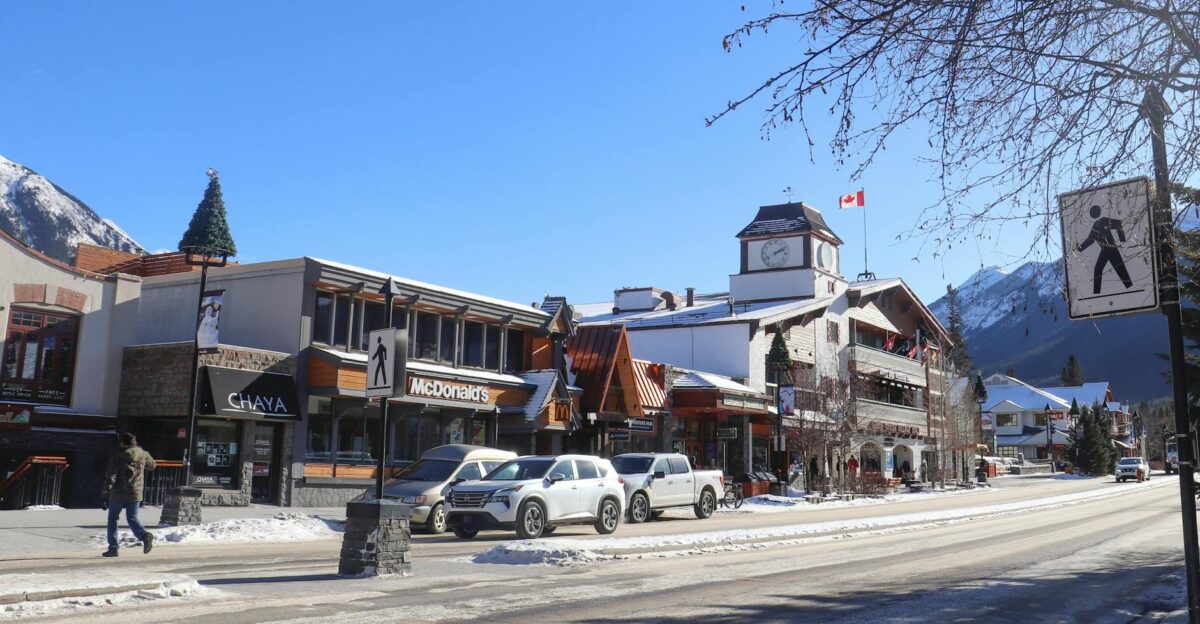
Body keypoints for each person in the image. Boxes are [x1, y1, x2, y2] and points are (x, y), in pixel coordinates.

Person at [101, 433, 156, 557]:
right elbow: (153, 466)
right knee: (132, 518)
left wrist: (105, 493)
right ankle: (144, 535)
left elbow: (111, 476)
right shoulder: (143, 454)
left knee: (113, 519)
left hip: (118, 493)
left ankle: (113, 548)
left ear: (122, 443)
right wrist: (143, 452)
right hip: (135, 493)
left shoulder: (117, 457)